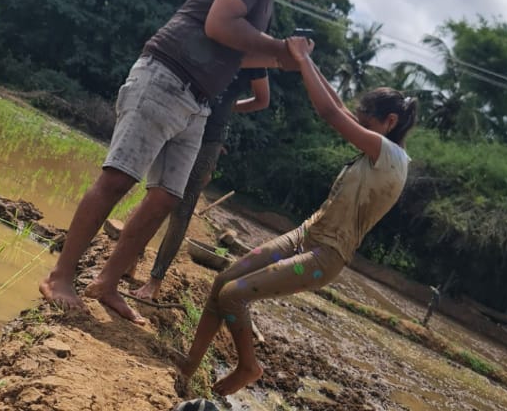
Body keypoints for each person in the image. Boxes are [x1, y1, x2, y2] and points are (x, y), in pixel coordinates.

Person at [38, 0, 345, 325]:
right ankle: (60, 276)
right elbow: (220, 24)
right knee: (117, 180)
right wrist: (281, 47)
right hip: (167, 77)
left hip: (198, 101)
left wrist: (285, 58)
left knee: (166, 198)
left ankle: (107, 283)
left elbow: (239, 51)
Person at [176, 54, 415, 397]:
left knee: (232, 296)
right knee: (223, 281)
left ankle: (248, 366)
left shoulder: (388, 153)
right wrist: (308, 59)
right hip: (306, 234)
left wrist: (302, 60)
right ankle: (189, 365)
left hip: (325, 255)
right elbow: (337, 105)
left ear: (389, 121)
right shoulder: (376, 146)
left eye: (366, 121)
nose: (358, 125)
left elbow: (331, 113)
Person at [131, 68, 269, 306]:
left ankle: (155, 280)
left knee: (182, 208)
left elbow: (262, 100)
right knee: (156, 194)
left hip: (210, 137)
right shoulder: (216, 43)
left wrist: (229, 108)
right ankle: (131, 260)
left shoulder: (256, 59)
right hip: (181, 120)